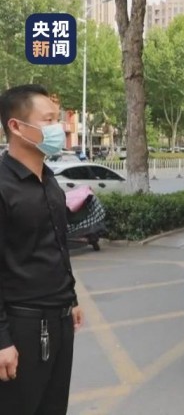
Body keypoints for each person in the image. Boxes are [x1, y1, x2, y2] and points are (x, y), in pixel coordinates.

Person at [0, 84, 84, 414]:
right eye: (48, 120)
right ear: (16, 126)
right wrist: (2, 339)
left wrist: (70, 298)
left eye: (57, 119)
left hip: (60, 319)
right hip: (23, 324)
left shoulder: (48, 179)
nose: (58, 128)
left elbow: (56, 246)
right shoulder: (3, 187)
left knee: (53, 406)